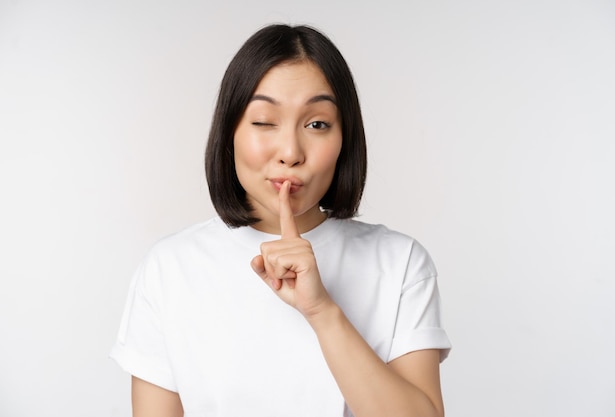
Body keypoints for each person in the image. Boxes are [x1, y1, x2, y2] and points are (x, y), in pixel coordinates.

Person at [110, 24, 451, 417]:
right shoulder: (170, 268)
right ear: (230, 132)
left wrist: (322, 310)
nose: (290, 152)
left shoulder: (400, 263)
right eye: (263, 121)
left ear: (346, 139)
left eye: (317, 124)